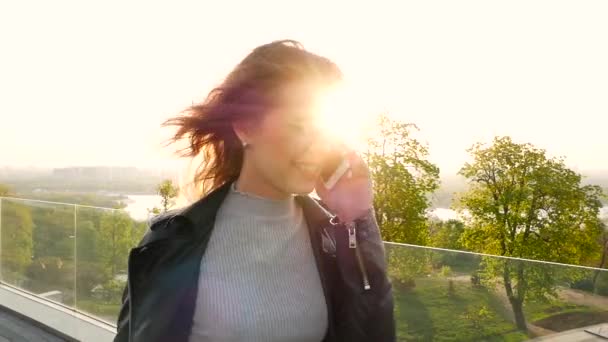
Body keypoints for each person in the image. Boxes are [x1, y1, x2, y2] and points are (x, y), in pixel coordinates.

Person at [115, 40, 395, 342]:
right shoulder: (169, 242)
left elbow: (375, 334)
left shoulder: (335, 241)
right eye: (300, 127)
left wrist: (358, 219)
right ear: (245, 127)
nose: (319, 149)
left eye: (325, 132)